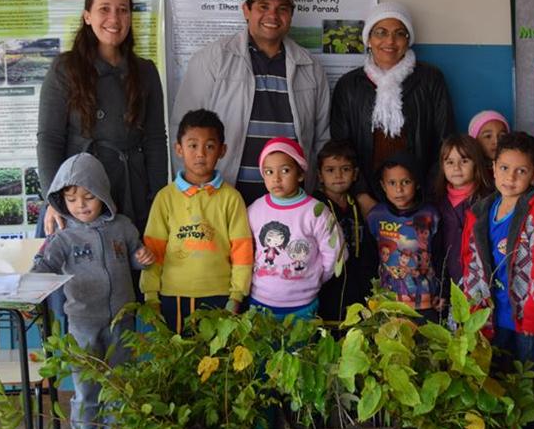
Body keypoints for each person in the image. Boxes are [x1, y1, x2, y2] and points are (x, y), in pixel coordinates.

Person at [31, 152, 155, 429]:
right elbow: (44, 264)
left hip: (122, 319)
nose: (81, 205)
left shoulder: (122, 227)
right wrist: (30, 287)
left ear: (103, 194)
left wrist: (139, 257)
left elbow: (129, 260)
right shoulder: (63, 235)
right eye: (72, 199)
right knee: (85, 383)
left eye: (88, 196)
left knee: (118, 379)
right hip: (82, 321)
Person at [169, 0, 330, 204]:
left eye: (282, 8)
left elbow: (322, 138)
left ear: (291, 15)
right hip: (223, 202)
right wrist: (193, 198)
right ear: (246, 10)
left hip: (291, 206)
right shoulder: (213, 59)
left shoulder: (311, 67)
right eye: (263, 6)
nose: (272, 15)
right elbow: (183, 131)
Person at [459, 132, 534, 429]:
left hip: (526, 319)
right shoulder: (481, 211)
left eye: (521, 171)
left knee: (527, 381)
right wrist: (471, 308)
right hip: (492, 316)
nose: (511, 177)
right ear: (492, 168)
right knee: (498, 375)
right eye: (504, 168)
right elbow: (469, 261)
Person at [37, 0, 168, 236]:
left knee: (132, 268)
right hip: (78, 196)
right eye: (104, 9)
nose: (114, 18)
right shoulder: (65, 69)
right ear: (87, 16)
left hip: (132, 189)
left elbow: (155, 141)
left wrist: (160, 199)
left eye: (122, 10)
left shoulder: (145, 71)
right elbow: (49, 139)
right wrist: (53, 200)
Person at [331, 2, 456, 213]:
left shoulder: (430, 80)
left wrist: (423, 194)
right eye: (381, 32)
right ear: (368, 39)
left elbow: (445, 141)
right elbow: (341, 146)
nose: (390, 41)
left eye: (399, 33)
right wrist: (361, 195)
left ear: (408, 40)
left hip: (419, 197)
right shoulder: (349, 85)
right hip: (365, 198)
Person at [140, 109, 253, 331]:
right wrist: (151, 295)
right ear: (179, 149)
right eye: (193, 145)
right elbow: (153, 250)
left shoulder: (231, 198)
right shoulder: (165, 198)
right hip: (172, 297)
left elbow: (242, 251)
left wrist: (237, 295)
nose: (201, 153)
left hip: (220, 297)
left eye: (209, 146)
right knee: (176, 359)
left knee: (216, 362)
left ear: (222, 150)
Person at [246, 137, 344, 319]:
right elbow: (245, 248)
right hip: (260, 301)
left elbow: (335, 252)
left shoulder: (316, 211)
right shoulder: (254, 210)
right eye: (268, 172)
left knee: (300, 347)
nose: (276, 178)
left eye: (285, 170)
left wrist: (315, 278)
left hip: (303, 304)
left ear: (300, 174)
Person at [367, 152, 442, 322]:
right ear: (383, 185)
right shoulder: (376, 216)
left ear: (416, 184)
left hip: (426, 303)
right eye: (392, 183)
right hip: (388, 303)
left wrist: (443, 292)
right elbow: (369, 259)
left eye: (406, 182)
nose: (399, 189)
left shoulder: (431, 215)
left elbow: (440, 255)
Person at [312, 139, 379, 324]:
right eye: (330, 170)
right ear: (319, 175)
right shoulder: (314, 206)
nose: (338, 175)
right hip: (327, 286)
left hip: (358, 284)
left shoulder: (358, 204)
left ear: (355, 174)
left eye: (345, 169)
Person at [434, 134, 492, 294]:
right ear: (442, 166)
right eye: (449, 162)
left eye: (464, 161)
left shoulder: (488, 201)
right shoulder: (436, 203)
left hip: (482, 284)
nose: (456, 167)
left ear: (476, 164)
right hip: (450, 284)